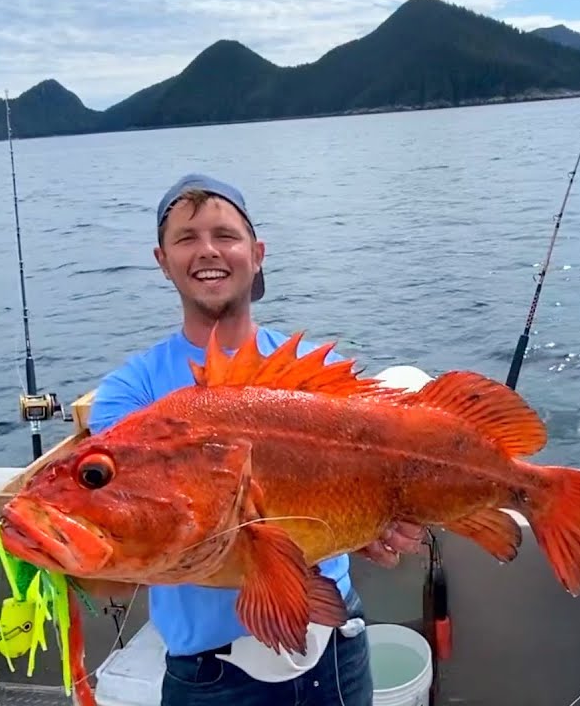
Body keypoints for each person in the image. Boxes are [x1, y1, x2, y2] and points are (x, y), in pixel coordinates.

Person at [87, 173, 427, 705]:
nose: (207, 251)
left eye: (225, 235)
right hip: (209, 678)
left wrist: (376, 527)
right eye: (186, 238)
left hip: (335, 648)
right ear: (161, 260)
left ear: (257, 252)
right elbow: (120, 543)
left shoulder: (322, 376)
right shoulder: (131, 395)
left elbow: (354, 498)